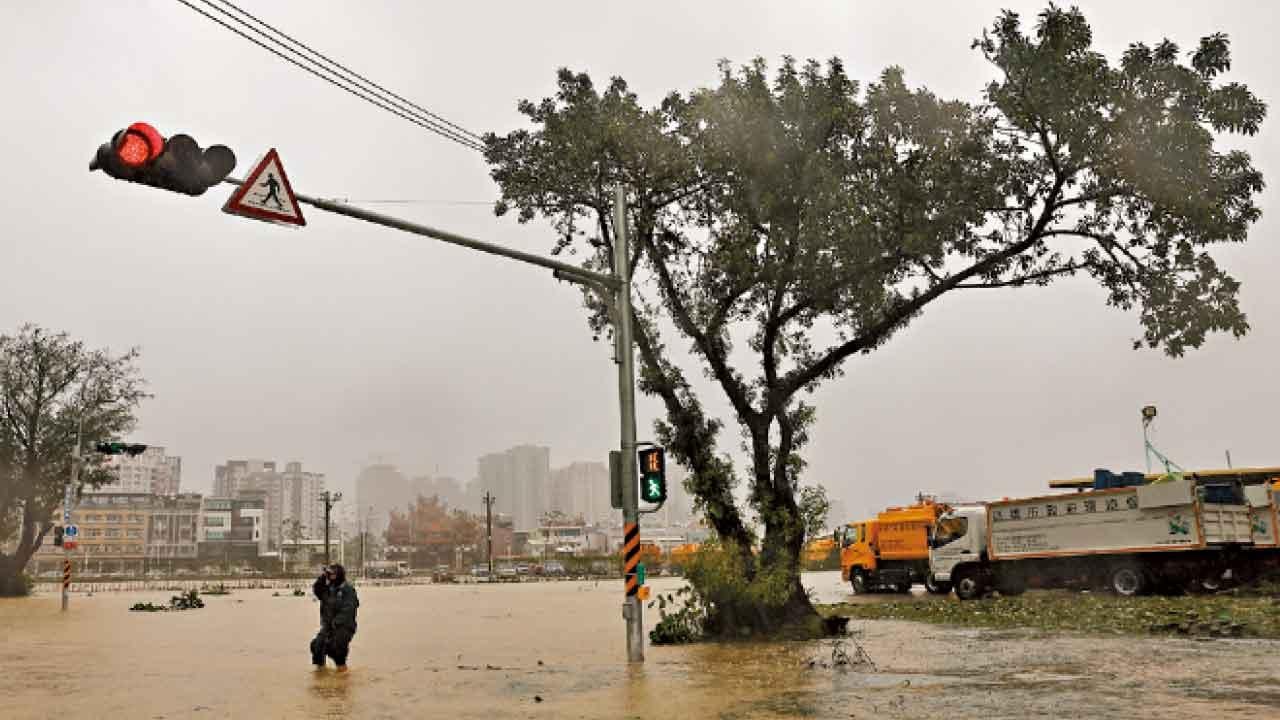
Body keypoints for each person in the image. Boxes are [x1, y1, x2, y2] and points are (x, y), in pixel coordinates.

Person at [310, 564, 359, 671]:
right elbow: (317, 590)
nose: (331, 576)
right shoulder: (327, 589)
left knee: (337, 650)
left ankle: (342, 678)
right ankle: (320, 673)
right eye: (329, 574)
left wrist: (336, 622)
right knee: (317, 646)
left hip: (344, 626)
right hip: (327, 625)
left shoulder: (348, 590)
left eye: (333, 573)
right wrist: (323, 576)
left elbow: (349, 610)